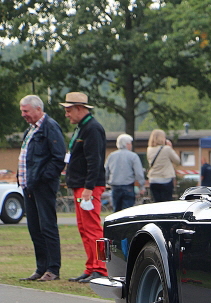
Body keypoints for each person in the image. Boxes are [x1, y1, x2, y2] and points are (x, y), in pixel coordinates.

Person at [17, 95, 66, 282]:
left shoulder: (50, 127)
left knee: (47, 226)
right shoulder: (30, 129)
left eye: (26, 111)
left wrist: (43, 178)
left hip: (43, 186)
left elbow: (58, 158)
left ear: (38, 109)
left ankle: (53, 268)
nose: (23, 115)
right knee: (34, 228)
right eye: (22, 111)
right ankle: (41, 267)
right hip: (29, 186)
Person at [61, 91, 108, 282]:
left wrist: (89, 187)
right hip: (80, 185)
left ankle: (102, 267)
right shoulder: (82, 127)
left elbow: (94, 160)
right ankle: (91, 267)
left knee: (94, 229)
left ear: (80, 109)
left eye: (69, 110)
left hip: (89, 187)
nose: (66, 114)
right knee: (83, 228)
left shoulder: (92, 129)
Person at [105, 133, 144, 212]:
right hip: (128, 186)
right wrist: (141, 186)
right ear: (127, 144)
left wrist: (105, 182)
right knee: (127, 211)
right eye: (130, 143)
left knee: (116, 210)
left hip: (115, 187)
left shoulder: (111, 156)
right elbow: (139, 173)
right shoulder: (133, 156)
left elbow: (106, 171)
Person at [146, 129, 180, 202]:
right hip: (165, 178)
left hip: (153, 179)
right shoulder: (167, 149)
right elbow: (177, 161)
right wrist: (170, 148)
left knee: (157, 202)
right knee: (166, 203)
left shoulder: (149, 149)